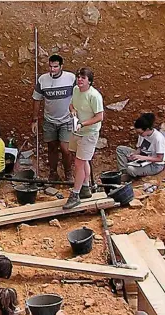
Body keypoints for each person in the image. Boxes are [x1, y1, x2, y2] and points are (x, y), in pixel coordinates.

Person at [64, 67, 104, 210]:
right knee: (83, 159)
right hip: (78, 131)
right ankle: (85, 187)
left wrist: (83, 124)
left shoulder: (94, 96)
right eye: (78, 77)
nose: (79, 80)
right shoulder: (76, 90)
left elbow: (99, 117)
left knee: (79, 163)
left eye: (83, 78)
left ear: (90, 81)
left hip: (89, 133)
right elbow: (71, 104)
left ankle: (75, 194)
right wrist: (73, 111)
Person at [32, 54, 76, 182]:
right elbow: (36, 99)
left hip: (66, 120)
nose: (52, 69)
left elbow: (78, 95)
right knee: (51, 147)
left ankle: (68, 174)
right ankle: (53, 173)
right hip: (49, 120)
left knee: (65, 149)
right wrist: (34, 120)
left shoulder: (71, 78)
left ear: (61, 66)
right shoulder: (42, 80)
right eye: (50, 66)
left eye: (55, 67)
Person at [116, 113, 165, 179]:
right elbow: (139, 149)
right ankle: (124, 172)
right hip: (143, 157)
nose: (139, 135)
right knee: (120, 149)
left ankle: (130, 174)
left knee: (130, 169)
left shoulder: (158, 138)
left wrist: (142, 157)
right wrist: (134, 154)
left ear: (147, 129)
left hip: (154, 165)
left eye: (140, 133)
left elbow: (160, 159)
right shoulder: (142, 135)